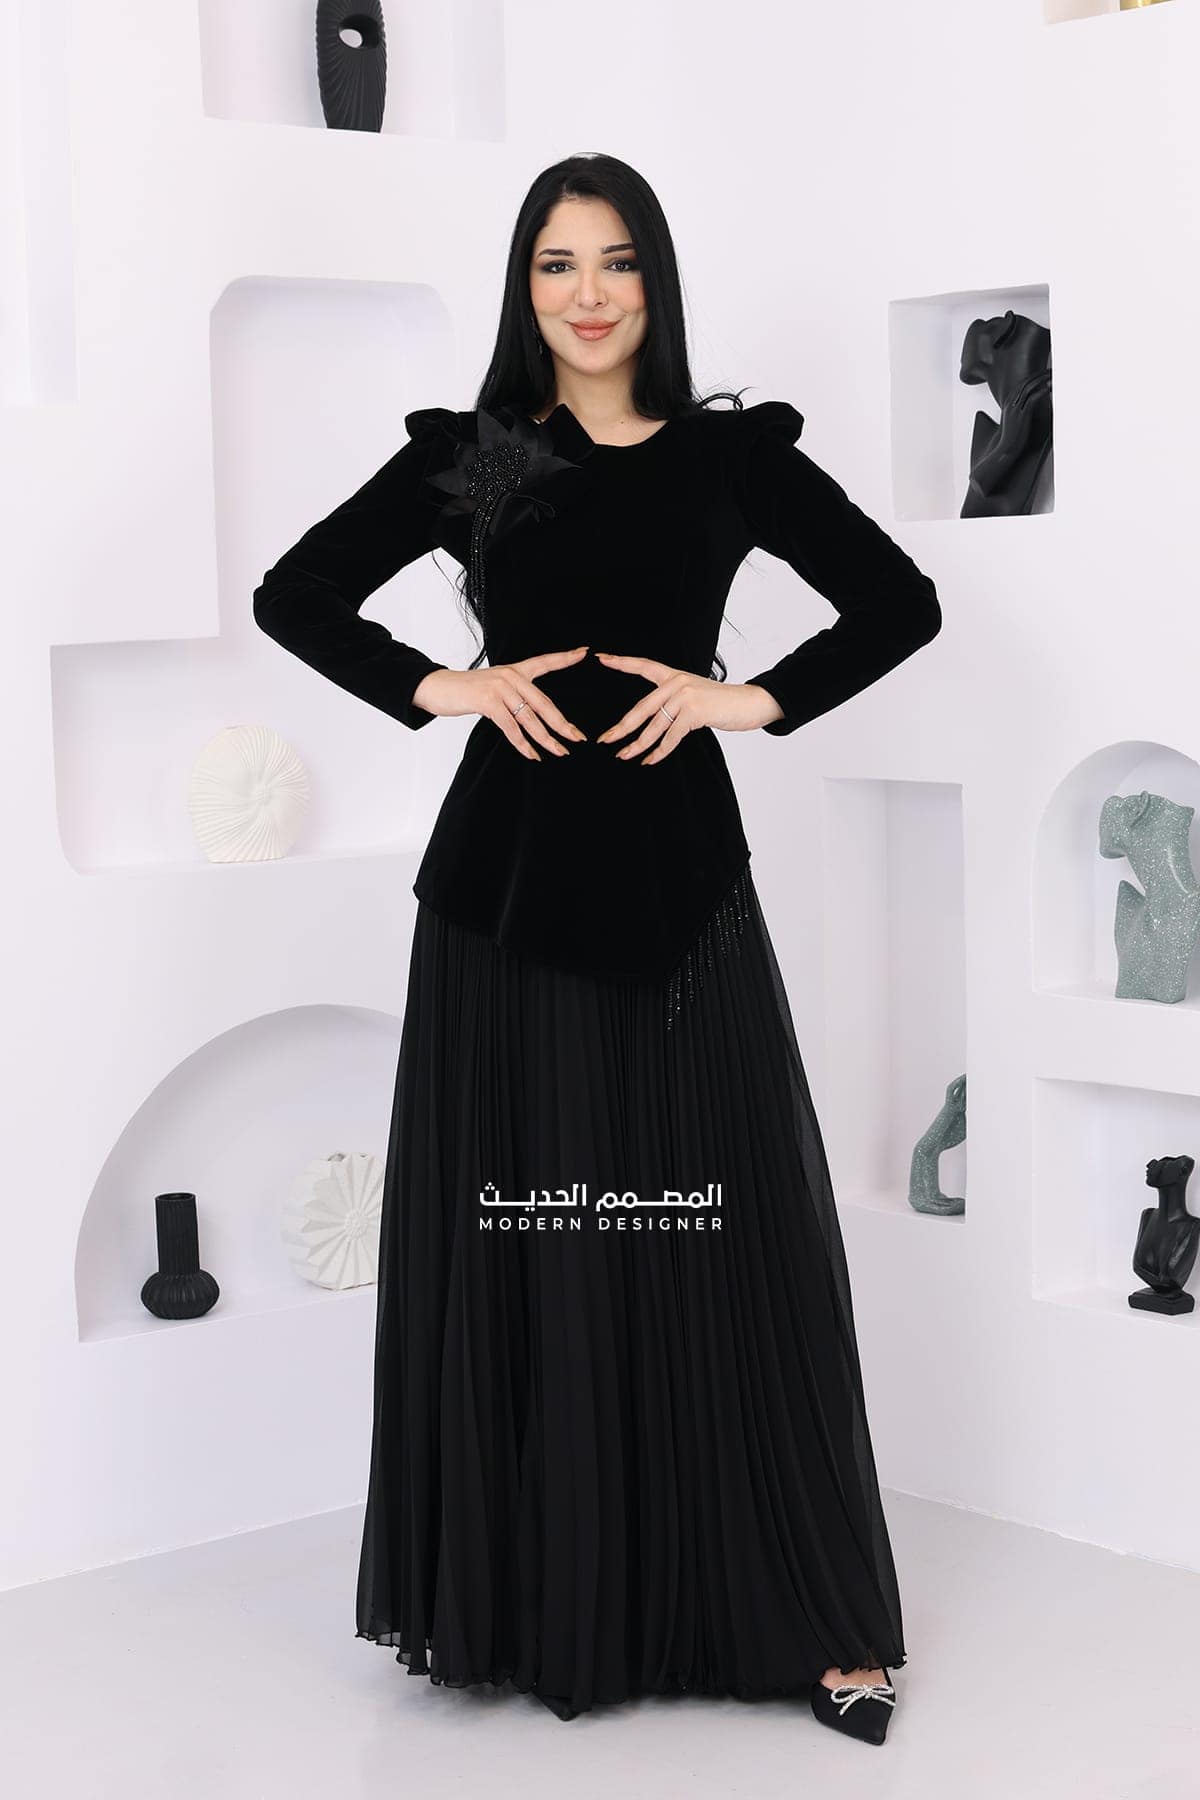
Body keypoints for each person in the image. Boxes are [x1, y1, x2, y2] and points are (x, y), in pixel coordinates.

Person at [252, 152, 942, 1747]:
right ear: (526, 287)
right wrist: (444, 684)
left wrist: (748, 698)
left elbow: (896, 603)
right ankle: (544, 1604)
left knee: (729, 1239)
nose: (587, 293)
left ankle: (805, 1615)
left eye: (617, 260)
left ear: (656, 281)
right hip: (500, 899)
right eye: (556, 264)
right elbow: (301, 594)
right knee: (532, 1242)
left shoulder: (726, 461)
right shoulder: (489, 462)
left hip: (684, 888)